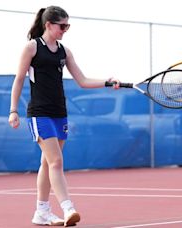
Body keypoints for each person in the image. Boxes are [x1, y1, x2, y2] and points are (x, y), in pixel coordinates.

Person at [8, 6, 120, 227]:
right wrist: (13, 110)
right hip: (39, 114)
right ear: (49, 24)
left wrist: (107, 83)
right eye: (62, 26)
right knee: (56, 161)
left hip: (60, 113)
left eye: (68, 26)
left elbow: (83, 80)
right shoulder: (31, 48)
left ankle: (41, 212)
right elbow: (19, 79)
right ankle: (68, 208)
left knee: (47, 163)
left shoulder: (64, 52)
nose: (65, 30)